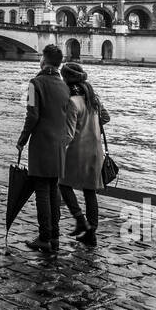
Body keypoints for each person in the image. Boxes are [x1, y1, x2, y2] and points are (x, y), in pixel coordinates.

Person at [16, 44, 71, 254]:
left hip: (41, 143)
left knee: (41, 190)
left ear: (43, 60)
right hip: (60, 145)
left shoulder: (34, 83)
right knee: (53, 189)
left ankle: (44, 236)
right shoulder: (65, 86)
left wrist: (22, 140)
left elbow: (32, 115)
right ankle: (55, 235)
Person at [59, 61, 110, 246]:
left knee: (63, 184)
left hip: (77, 150)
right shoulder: (93, 98)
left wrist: (57, 148)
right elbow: (106, 117)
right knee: (90, 191)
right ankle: (92, 233)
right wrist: (93, 126)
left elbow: (69, 134)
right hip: (95, 150)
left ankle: (80, 219)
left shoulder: (72, 102)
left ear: (67, 79)